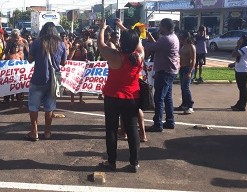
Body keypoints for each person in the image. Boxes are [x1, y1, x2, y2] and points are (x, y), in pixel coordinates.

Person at [97, 20, 143, 172]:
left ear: (121, 42)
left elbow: (101, 44)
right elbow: (138, 43)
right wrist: (123, 27)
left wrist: (102, 29)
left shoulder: (114, 56)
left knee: (111, 129)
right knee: (132, 129)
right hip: (132, 97)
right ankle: (134, 162)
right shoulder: (139, 56)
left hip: (112, 96)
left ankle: (111, 161)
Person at [26, 22, 67, 141]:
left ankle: (34, 132)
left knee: (33, 106)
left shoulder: (36, 43)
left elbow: (29, 60)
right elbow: (63, 63)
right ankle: (48, 132)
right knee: (49, 107)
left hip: (38, 79)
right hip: (53, 81)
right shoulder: (61, 44)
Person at [144, 18, 179, 132]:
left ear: (165, 27)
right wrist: (151, 40)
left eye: (161, 26)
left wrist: (144, 40)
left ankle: (158, 124)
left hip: (164, 71)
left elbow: (151, 47)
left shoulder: (165, 39)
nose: (159, 29)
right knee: (167, 98)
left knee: (158, 98)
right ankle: (170, 121)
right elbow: (157, 46)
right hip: (170, 71)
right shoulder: (173, 37)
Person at [230, 34, 247, 111]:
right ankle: (239, 103)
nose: (239, 39)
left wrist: (237, 45)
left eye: (241, 39)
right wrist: (233, 64)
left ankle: (242, 106)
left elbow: (234, 54)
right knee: (241, 88)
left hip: (242, 71)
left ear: (244, 40)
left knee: (243, 89)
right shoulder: (244, 48)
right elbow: (241, 59)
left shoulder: (245, 48)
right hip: (240, 70)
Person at [176, 31, 196, 114]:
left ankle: (190, 105)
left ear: (186, 38)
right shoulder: (183, 46)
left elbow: (193, 60)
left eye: (181, 38)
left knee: (186, 87)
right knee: (182, 87)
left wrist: (190, 71)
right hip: (182, 68)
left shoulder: (191, 46)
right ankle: (184, 104)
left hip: (188, 68)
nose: (180, 39)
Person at [68, 37, 87, 104]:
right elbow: (69, 58)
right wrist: (74, 49)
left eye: (78, 42)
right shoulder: (72, 49)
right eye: (76, 42)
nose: (77, 43)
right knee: (72, 84)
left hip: (81, 69)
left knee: (80, 84)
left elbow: (85, 59)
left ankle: (80, 98)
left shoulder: (84, 50)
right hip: (73, 69)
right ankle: (72, 99)